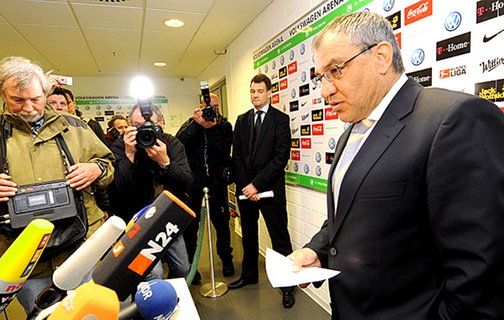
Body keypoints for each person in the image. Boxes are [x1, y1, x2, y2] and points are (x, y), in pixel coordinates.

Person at [287, 11, 504, 319]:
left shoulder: (455, 119)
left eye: (336, 70)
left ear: (381, 56)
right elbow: (352, 214)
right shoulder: (354, 127)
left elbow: (481, 275)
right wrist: (317, 250)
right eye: (323, 77)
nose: (325, 90)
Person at [0, 56, 115, 315]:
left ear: (45, 91)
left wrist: (95, 169)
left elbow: (108, 163)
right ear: (2, 93)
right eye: (18, 100)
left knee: (90, 311)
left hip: (80, 249)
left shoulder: (74, 127)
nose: (29, 108)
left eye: (36, 99)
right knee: (42, 314)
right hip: (22, 258)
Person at [108, 103, 193, 287]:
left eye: (150, 125)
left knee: (183, 269)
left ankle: (171, 299)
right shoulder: (120, 146)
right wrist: (129, 155)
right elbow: (117, 191)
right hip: (136, 222)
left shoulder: (172, 143)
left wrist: (165, 163)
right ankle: (151, 308)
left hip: (167, 218)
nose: (144, 131)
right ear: (129, 126)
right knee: (152, 273)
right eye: (137, 126)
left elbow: (187, 182)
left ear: (161, 123)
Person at [230, 73, 295, 308]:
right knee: (248, 236)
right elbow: (236, 156)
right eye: (252, 91)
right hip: (246, 191)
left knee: (280, 239)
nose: (255, 95)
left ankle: (288, 286)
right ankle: (249, 276)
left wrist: (256, 185)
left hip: (270, 191)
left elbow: (280, 158)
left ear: (269, 93)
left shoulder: (280, 120)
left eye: (260, 91)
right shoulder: (241, 120)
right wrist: (247, 186)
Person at [176, 92, 234, 283]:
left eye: (216, 107)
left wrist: (212, 128)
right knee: (191, 227)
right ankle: (192, 267)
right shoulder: (191, 123)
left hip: (216, 183)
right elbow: (180, 144)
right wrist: (197, 125)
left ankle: (226, 260)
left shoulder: (224, 126)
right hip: (194, 183)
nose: (212, 111)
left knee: (222, 224)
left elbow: (225, 152)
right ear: (200, 108)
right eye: (209, 107)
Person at [48, 87, 112, 219]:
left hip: (83, 208)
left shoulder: (84, 129)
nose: (58, 107)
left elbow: (106, 162)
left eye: (63, 104)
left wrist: (97, 168)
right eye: (52, 103)